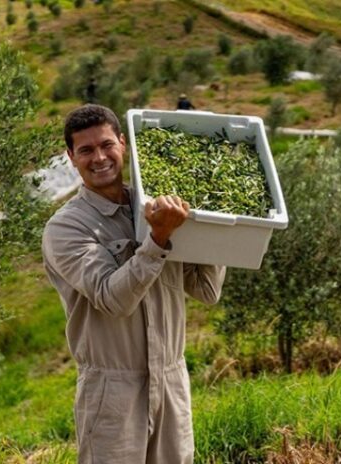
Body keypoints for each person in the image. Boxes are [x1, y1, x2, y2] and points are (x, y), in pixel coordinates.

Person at [42, 104, 226, 463]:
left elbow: (207, 290)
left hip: (172, 381)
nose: (99, 158)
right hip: (112, 391)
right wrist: (158, 239)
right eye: (86, 150)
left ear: (123, 144)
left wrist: (208, 218)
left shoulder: (159, 210)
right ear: (71, 157)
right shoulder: (66, 228)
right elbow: (112, 299)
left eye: (106, 145)